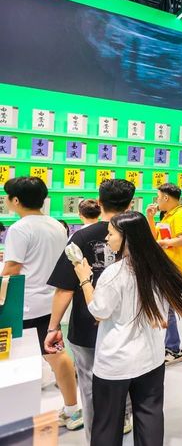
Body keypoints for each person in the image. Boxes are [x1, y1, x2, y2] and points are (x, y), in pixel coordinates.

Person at [73, 211, 182, 446]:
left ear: (126, 238)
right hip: (150, 359)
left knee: (107, 424)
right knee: (150, 418)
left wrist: (84, 279)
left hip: (115, 363)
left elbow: (99, 311)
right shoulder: (159, 267)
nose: (107, 238)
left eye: (111, 234)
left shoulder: (114, 273)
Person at [46, 179, 137, 441]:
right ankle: (122, 420)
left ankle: (97, 438)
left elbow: (64, 289)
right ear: (130, 204)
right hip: (127, 324)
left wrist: (53, 327)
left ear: (99, 202)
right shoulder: (138, 233)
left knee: (89, 385)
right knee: (125, 379)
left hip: (87, 326)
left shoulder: (81, 237)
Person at [2, 177, 81, 430]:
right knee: (56, 355)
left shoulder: (19, 229)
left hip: (24, 307)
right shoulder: (56, 225)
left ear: (15, 200)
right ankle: (73, 410)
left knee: (15, 361)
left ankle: (14, 419)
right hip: (52, 304)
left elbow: (11, 270)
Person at [146, 183, 182, 364]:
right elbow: (154, 238)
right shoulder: (167, 216)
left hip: (173, 269)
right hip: (164, 267)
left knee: (168, 310)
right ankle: (170, 346)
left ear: (166, 197)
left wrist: (165, 243)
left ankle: (173, 349)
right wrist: (150, 218)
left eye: (158, 197)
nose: (157, 200)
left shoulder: (181, 215)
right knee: (167, 309)